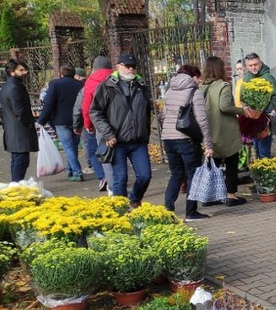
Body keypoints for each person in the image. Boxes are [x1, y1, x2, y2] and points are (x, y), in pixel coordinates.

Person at [89, 54, 153, 208]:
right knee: (120, 178)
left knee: (145, 175)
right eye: (127, 66)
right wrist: (108, 134)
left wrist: (145, 134)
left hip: (138, 141)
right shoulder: (107, 86)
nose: (130, 69)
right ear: (118, 66)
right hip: (117, 141)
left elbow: (146, 111)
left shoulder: (141, 86)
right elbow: (95, 112)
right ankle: (121, 211)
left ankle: (134, 198)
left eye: (133, 66)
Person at [200, 56, 258, 207]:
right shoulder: (223, 86)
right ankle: (231, 195)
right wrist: (242, 111)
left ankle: (209, 196)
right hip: (224, 131)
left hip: (209, 131)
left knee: (212, 164)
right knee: (232, 161)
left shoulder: (202, 87)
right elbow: (224, 106)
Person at [161, 65, 213, 220]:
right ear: (192, 77)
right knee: (192, 174)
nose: (199, 81)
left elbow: (162, 116)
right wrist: (208, 144)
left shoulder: (170, 91)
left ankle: (168, 209)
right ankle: (191, 211)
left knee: (176, 174)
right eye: (198, 78)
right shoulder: (194, 92)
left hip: (168, 139)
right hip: (186, 139)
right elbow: (202, 120)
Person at [37, 65, 85, 181]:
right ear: (74, 74)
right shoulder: (80, 85)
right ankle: (70, 170)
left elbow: (49, 103)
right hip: (78, 120)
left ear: (61, 74)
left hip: (61, 120)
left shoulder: (55, 84)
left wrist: (42, 120)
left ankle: (78, 172)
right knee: (73, 147)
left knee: (68, 147)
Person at [80, 56, 114, 192]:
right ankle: (120, 181)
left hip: (100, 124)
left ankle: (112, 187)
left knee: (106, 154)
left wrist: (88, 124)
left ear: (94, 68)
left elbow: (87, 106)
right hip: (120, 122)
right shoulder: (116, 78)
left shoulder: (90, 81)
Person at [1, 60, 38, 181]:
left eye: (25, 69)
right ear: (12, 72)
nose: (25, 72)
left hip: (14, 130)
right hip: (19, 131)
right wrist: (29, 124)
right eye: (21, 70)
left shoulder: (8, 85)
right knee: (20, 161)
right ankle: (17, 186)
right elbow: (20, 111)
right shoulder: (14, 88)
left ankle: (16, 184)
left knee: (18, 160)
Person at [239, 52, 276, 159]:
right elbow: (243, 95)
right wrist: (246, 108)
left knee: (263, 150)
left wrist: (266, 115)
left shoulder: (268, 78)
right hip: (251, 119)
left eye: (255, 64)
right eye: (250, 65)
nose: (253, 67)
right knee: (256, 148)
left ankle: (265, 172)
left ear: (260, 63)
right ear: (246, 66)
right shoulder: (247, 76)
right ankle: (258, 171)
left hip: (264, 119)